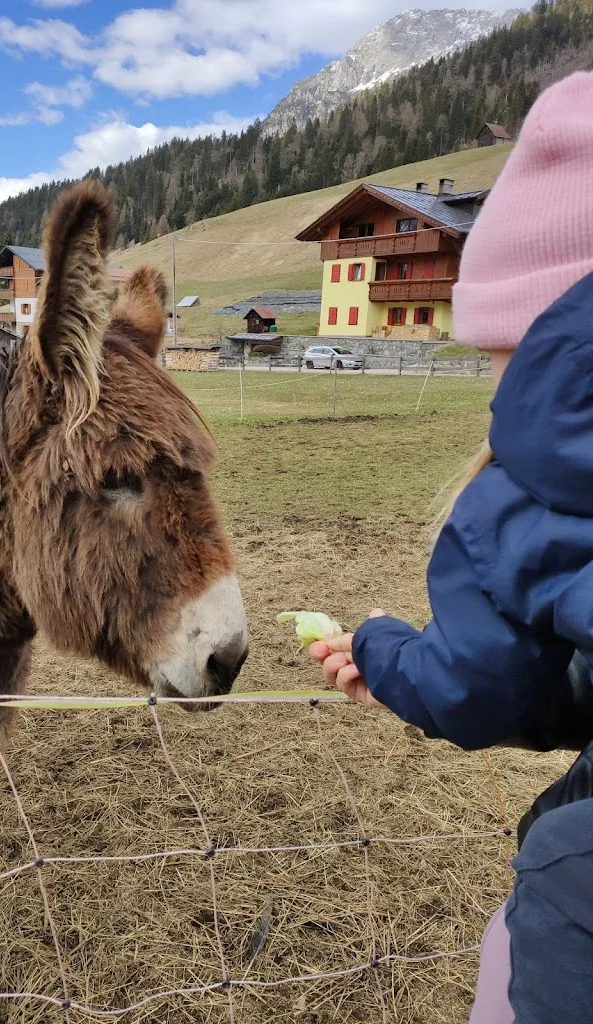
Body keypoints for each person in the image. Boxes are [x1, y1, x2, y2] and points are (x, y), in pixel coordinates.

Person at [310, 72, 593, 1023]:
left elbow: (487, 679)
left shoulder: (541, 480)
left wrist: (386, 654)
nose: (495, 394)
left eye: (496, 360)